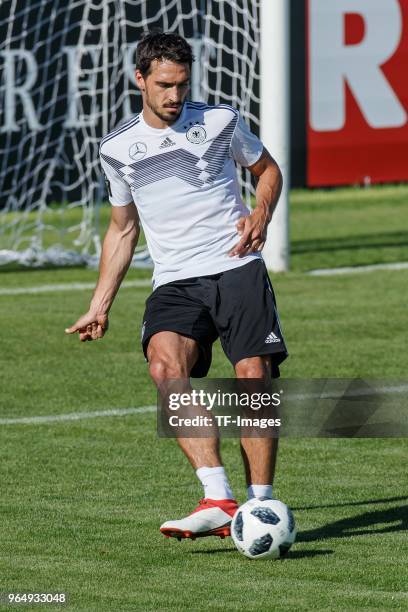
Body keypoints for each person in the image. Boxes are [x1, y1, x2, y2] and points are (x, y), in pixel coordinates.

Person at [65, 31, 288, 540]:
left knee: (253, 377)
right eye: (164, 85)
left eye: (182, 86)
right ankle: (217, 497)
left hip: (236, 267)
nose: (174, 96)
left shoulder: (219, 121)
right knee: (165, 368)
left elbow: (267, 169)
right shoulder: (118, 150)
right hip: (175, 280)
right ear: (139, 78)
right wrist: (99, 305)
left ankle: (262, 507)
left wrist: (261, 210)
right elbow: (123, 228)